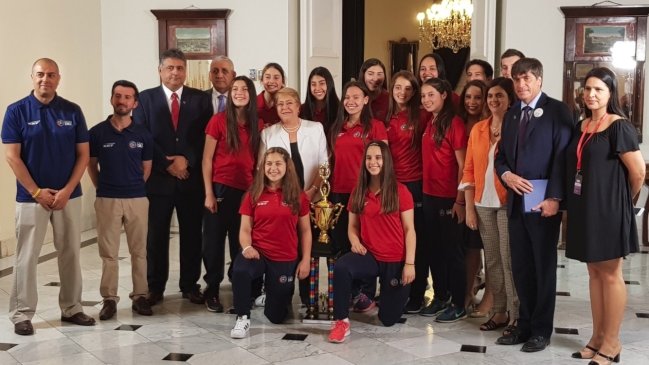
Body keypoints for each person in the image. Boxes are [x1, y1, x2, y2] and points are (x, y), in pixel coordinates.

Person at [2, 58, 95, 335]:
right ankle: (21, 313)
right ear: (32, 77)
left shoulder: (72, 111)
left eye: (51, 74)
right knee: (26, 256)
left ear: (58, 78)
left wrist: (67, 190)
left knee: (70, 253)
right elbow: (12, 157)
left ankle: (72, 308)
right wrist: (37, 191)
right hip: (31, 197)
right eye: (40, 74)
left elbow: (83, 155)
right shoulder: (16, 111)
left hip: (69, 196)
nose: (46, 79)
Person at [565, 67, 645, 365]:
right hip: (584, 207)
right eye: (587, 89)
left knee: (610, 274)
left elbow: (637, 173)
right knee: (593, 273)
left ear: (610, 93)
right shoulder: (582, 125)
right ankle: (597, 337)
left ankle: (612, 343)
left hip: (610, 209)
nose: (591, 94)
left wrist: (622, 201)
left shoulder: (619, 126)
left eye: (598, 89)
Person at [494, 58, 573, 352]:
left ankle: (541, 330)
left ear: (539, 79)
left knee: (543, 268)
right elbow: (501, 156)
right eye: (516, 79)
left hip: (544, 205)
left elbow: (564, 158)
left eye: (526, 78)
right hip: (516, 203)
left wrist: (554, 198)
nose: (521, 84)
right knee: (522, 268)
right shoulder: (513, 113)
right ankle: (523, 324)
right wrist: (506, 174)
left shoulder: (558, 111)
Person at [133, 48, 213, 307]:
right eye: (170, 68)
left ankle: (189, 285)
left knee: (192, 235)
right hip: (157, 180)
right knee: (156, 236)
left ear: (185, 71)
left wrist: (185, 159)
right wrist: (167, 163)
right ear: (160, 71)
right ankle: (155, 287)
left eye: (180, 68)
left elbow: (204, 137)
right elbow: (142, 136)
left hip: (190, 179)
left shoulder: (201, 99)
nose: (175, 72)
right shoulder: (144, 99)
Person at [328, 141, 416, 343]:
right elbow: (352, 226)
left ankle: (376, 299)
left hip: (395, 260)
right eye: (369, 158)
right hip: (370, 256)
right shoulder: (359, 191)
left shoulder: (400, 191)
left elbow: (410, 230)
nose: (373, 162)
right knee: (342, 266)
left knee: (388, 319)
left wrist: (409, 264)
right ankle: (341, 321)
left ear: (386, 161)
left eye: (378, 157)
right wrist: (354, 241)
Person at [87, 80, 154, 320]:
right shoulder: (96, 132)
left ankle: (140, 296)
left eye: (127, 97)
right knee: (109, 253)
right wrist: (103, 188)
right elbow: (91, 165)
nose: (122, 101)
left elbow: (147, 168)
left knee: (140, 251)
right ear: (112, 99)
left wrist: (133, 186)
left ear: (135, 103)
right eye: (118, 96)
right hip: (107, 199)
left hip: (137, 199)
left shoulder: (144, 134)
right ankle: (109, 299)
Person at [230, 147, 312, 338]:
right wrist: (247, 247)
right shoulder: (253, 194)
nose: (273, 168)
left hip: (284, 257)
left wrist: (305, 259)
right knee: (240, 270)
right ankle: (242, 318)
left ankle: (269, 296)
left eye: (278, 163)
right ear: (262, 167)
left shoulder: (298, 196)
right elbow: (244, 229)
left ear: (286, 167)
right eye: (269, 163)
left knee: (276, 316)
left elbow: (306, 231)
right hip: (258, 253)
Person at [460, 77, 519, 334]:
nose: (494, 100)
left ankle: (516, 316)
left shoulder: (517, 128)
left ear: (510, 101)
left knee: (508, 260)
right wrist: (470, 207)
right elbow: (469, 170)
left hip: (507, 202)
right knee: (492, 260)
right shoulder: (479, 129)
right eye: (491, 96)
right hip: (483, 202)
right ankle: (499, 311)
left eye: (500, 96)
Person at [259, 87, 329, 305]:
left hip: (312, 198)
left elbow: (324, 164)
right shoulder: (268, 134)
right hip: (281, 202)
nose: (285, 107)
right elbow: (263, 168)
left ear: (298, 105)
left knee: (309, 247)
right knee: (286, 247)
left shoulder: (315, 128)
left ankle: (309, 297)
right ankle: (282, 291)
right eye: (280, 104)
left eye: (290, 103)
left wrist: (311, 192)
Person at [202, 76, 262, 313]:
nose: (239, 92)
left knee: (241, 243)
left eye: (244, 89)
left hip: (247, 191)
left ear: (251, 94)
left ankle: (241, 289)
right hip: (220, 189)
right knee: (214, 243)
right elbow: (207, 159)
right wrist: (208, 192)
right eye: (235, 89)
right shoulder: (218, 121)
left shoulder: (258, 125)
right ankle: (212, 289)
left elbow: (258, 162)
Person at [329, 80, 388, 311]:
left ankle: (366, 293)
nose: (350, 102)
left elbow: (383, 161)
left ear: (365, 100)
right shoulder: (337, 127)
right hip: (338, 192)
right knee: (343, 242)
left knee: (366, 242)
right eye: (347, 98)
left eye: (356, 97)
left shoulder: (375, 126)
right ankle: (348, 292)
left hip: (365, 192)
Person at [419, 78, 468, 322]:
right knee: (434, 250)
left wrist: (460, 201)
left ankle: (459, 302)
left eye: (431, 95)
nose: (426, 99)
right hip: (429, 195)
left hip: (449, 197)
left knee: (452, 252)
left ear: (444, 95)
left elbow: (463, 165)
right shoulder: (431, 121)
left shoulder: (455, 123)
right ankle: (440, 296)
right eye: (424, 96)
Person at [384, 71, 429, 313]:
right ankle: (395, 290)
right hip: (391, 185)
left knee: (415, 240)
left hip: (415, 185)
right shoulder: (385, 117)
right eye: (398, 87)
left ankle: (416, 294)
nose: (402, 92)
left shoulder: (421, 116)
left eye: (408, 89)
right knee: (394, 239)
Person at [457, 80, 492, 315]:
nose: (472, 102)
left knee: (491, 249)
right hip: (467, 193)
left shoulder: (492, 125)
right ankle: (468, 292)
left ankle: (491, 297)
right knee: (469, 247)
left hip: (489, 194)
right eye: (468, 97)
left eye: (477, 97)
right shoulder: (459, 123)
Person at [299, 66, 340, 135]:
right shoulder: (302, 110)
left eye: (322, 83)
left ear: (329, 84)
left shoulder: (339, 109)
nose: (317, 88)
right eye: (313, 84)